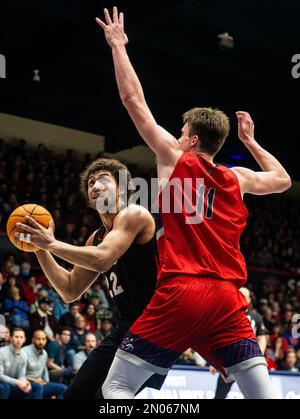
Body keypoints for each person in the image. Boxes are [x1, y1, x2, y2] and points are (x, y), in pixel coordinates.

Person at [96, 7, 291, 399]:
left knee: (115, 387)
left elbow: (132, 99)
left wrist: (118, 45)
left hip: (181, 289)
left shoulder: (174, 157)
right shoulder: (239, 178)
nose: (178, 135)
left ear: (192, 140)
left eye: (182, 131)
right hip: (228, 299)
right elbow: (283, 180)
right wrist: (252, 143)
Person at [16, 158, 163, 399]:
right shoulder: (96, 237)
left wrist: (52, 243)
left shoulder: (133, 214)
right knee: (75, 394)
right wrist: (40, 249)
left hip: (154, 328)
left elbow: (102, 259)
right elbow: (70, 289)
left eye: (103, 180)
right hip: (126, 328)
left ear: (124, 188)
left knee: (106, 397)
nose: (94, 186)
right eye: (91, 182)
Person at [211, 287, 268, 399]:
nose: (241, 298)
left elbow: (262, 338)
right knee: (219, 395)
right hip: (229, 361)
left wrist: (259, 356)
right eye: (239, 295)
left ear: (249, 299)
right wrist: (215, 361)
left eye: (245, 296)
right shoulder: (226, 313)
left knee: (256, 395)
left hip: (249, 361)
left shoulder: (256, 317)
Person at [21, 330, 67, 399]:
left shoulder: (44, 353)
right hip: (27, 383)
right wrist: (34, 380)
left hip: (40, 383)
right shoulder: (24, 352)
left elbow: (44, 371)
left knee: (63, 388)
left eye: (43, 339)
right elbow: (19, 375)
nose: (41, 342)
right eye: (38, 339)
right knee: (38, 387)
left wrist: (47, 384)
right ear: (33, 340)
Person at [0, 328, 42, 399]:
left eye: (21, 337)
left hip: (12, 384)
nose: (18, 340)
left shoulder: (24, 355)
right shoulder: (1, 352)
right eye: (16, 337)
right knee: (5, 387)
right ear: (11, 338)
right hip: (2, 383)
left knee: (34, 386)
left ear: (24, 340)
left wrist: (24, 382)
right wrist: (17, 382)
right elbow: (0, 376)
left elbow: (21, 375)